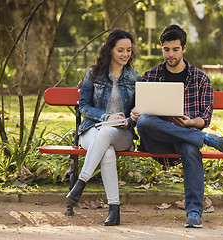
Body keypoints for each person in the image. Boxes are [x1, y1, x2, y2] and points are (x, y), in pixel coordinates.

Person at [131, 25, 223, 228]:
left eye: (175, 49)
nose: (170, 54)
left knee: (190, 148)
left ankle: (194, 212)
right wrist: (134, 114)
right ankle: (204, 139)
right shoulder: (149, 77)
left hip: (185, 139)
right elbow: (137, 114)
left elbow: (205, 118)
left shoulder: (201, 79)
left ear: (184, 48)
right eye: (166, 49)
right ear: (162, 49)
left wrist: (191, 123)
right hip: (156, 142)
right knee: (145, 121)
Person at [66, 29, 140, 226]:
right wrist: (106, 116)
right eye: (120, 50)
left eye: (129, 50)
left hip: (121, 133)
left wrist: (130, 120)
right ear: (110, 50)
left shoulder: (134, 77)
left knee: (108, 132)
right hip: (92, 129)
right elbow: (83, 106)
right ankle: (114, 210)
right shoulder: (94, 73)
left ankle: (80, 183)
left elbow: (138, 111)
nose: (125, 55)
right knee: (106, 152)